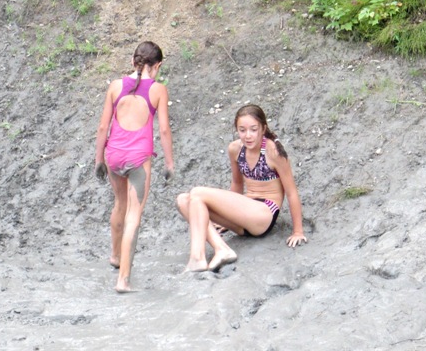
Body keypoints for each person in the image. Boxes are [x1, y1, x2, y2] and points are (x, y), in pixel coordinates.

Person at [177, 104, 306, 272]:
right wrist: (227, 216)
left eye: (253, 129)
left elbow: (291, 192)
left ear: (263, 128)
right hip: (244, 213)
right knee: (183, 200)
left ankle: (197, 258)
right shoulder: (235, 149)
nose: (248, 135)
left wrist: (298, 231)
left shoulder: (273, 152)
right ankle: (221, 248)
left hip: (264, 214)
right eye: (242, 130)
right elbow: (237, 184)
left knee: (196, 193)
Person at [93, 41, 174, 293]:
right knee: (134, 215)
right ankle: (123, 280)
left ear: (133, 61)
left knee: (120, 204)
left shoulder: (115, 86)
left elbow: (103, 127)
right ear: (158, 65)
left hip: (114, 156)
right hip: (139, 159)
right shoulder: (158, 90)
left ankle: (115, 256)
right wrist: (169, 162)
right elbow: (163, 129)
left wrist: (98, 160)